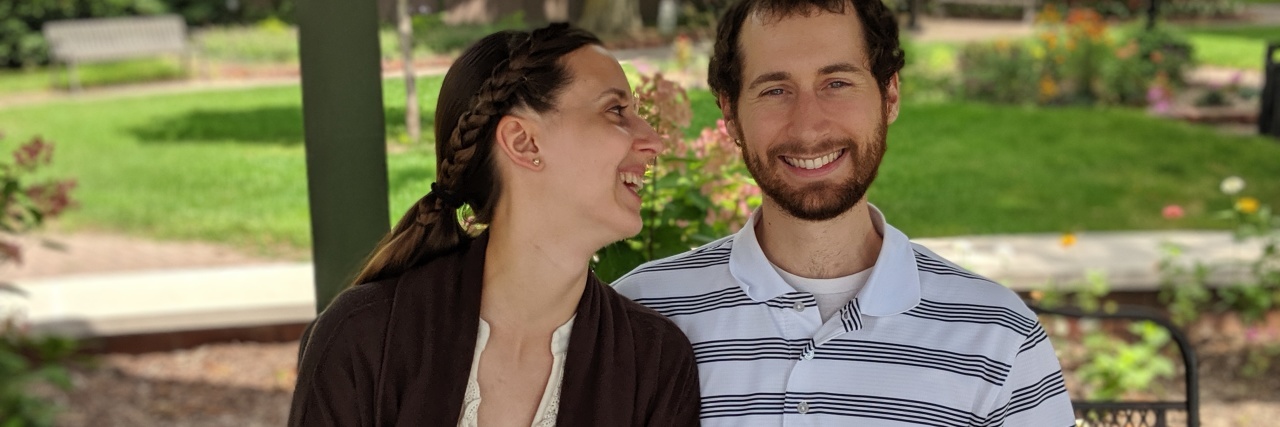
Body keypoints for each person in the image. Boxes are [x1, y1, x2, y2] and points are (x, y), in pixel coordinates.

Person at [614, 1, 1075, 425]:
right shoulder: (638, 317)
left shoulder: (998, 338)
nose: (809, 126)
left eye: (836, 83)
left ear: (889, 95)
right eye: (775, 90)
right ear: (730, 114)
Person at [289, 23, 700, 426]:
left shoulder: (654, 363)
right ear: (523, 142)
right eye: (615, 110)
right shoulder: (363, 340)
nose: (654, 141)